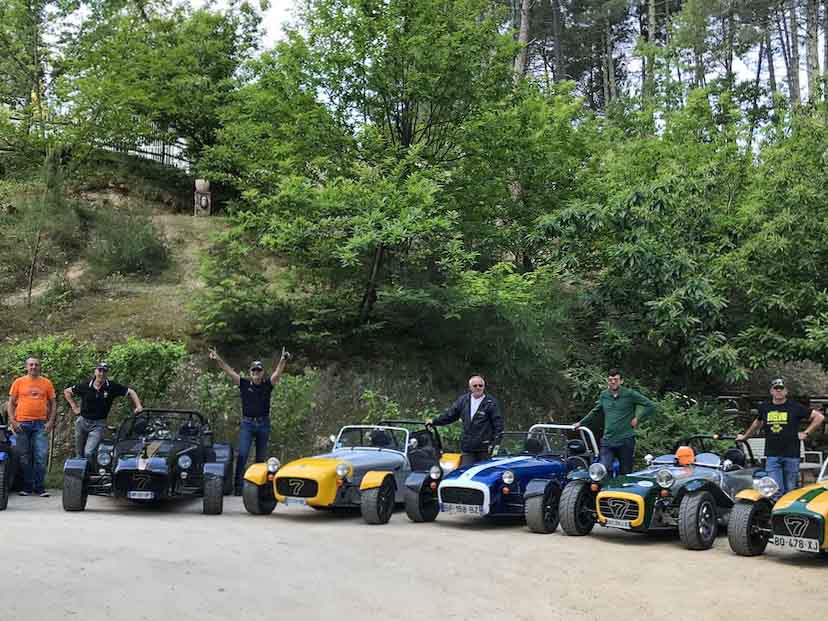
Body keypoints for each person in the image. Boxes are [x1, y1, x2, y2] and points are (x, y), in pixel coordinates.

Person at [210, 347, 289, 495]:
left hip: (263, 423)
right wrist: (217, 358)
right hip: (247, 424)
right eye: (253, 371)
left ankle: (258, 487)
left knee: (260, 457)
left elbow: (277, 373)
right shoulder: (244, 384)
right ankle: (238, 487)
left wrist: (283, 359)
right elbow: (229, 371)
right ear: (250, 373)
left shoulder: (267, 385)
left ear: (262, 372)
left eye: (258, 371)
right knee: (243, 454)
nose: (256, 373)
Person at [737, 378, 824, 495]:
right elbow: (757, 423)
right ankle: (775, 512)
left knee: (791, 489)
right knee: (774, 489)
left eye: (781, 389)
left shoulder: (795, 407)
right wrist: (745, 437)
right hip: (772, 454)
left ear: (786, 391)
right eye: (776, 389)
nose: (778, 391)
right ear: (771, 391)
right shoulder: (765, 407)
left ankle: (789, 513)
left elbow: (819, 417)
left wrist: (806, 433)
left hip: (791, 454)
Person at [575, 368, 656, 475]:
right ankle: (605, 491)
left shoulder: (629, 394)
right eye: (610, 380)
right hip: (608, 440)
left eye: (616, 380)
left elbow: (650, 405)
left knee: (625, 472)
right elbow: (596, 411)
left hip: (625, 440)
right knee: (603, 470)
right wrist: (581, 423)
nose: (613, 382)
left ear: (621, 381)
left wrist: (638, 418)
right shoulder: (604, 395)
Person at [63, 362, 144, 461]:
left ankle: (94, 472)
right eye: (100, 370)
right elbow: (67, 392)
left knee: (89, 452)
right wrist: (74, 407)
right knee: (79, 454)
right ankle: (81, 474)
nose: (101, 374)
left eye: (104, 371)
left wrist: (138, 406)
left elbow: (131, 392)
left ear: (107, 373)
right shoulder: (85, 385)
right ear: (95, 371)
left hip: (98, 424)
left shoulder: (111, 387)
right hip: (82, 422)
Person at [427, 374, 504, 466]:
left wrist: (495, 444)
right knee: (464, 473)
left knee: (483, 475)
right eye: (475, 386)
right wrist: (434, 421)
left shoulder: (491, 402)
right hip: (468, 447)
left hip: (485, 449)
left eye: (480, 385)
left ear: (484, 387)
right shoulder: (463, 400)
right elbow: (450, 415)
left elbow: (498, 425)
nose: (478, 388)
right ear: (470, 387)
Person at [8, 357, 57, 497]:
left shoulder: (46, 383)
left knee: (41, 456)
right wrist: (13, 421)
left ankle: (40, 487)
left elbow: (53, 403)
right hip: (21, 424)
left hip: (40, 424)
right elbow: (11, 403)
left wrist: (51, 422)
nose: (33, 367)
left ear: (39, 367)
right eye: (31, 365)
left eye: (36, 364)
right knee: (24, 457)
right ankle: (28, 487)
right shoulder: (18, 382)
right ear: (26, 367)